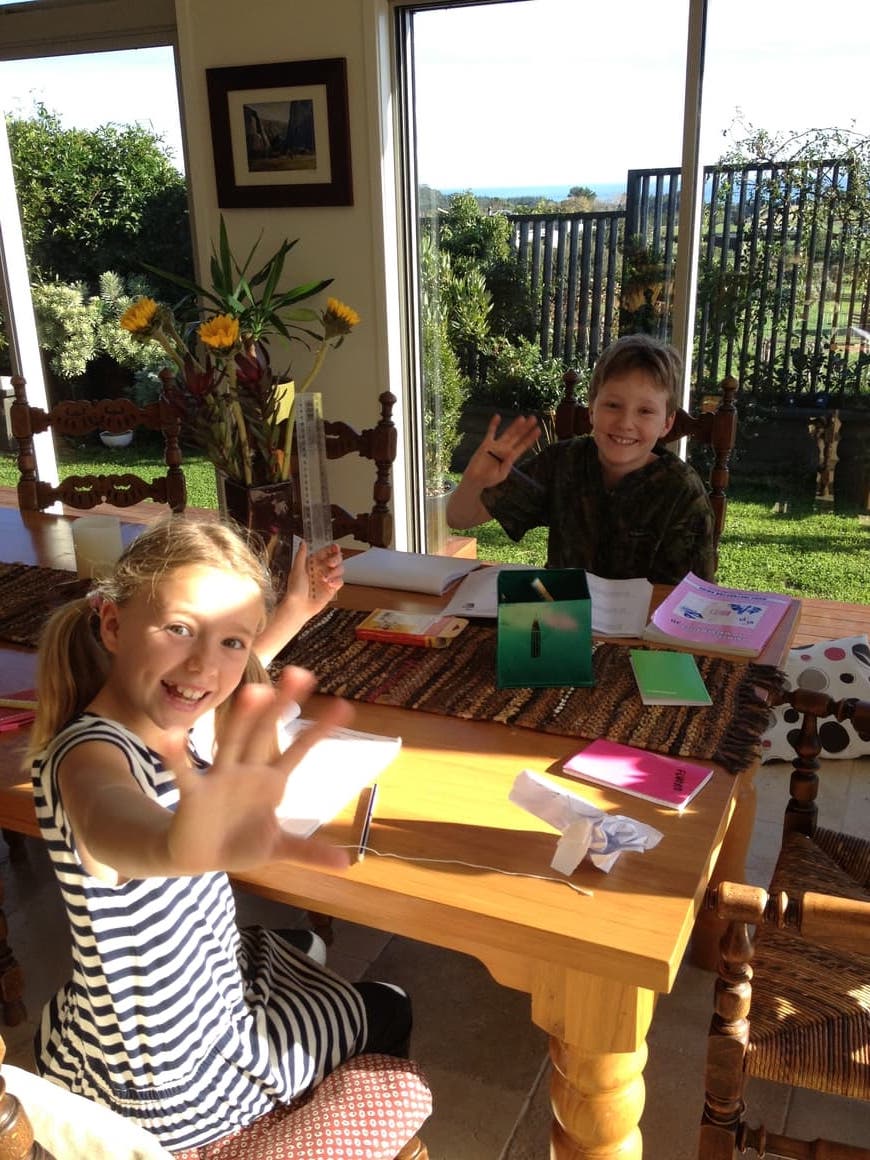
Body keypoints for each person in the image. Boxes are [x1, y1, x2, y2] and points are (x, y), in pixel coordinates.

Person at [27, 516, 412, 1152]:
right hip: (183, 1087)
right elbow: (113, 820)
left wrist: (291, 611)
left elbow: (216, 674)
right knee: (388, 1003)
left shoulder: (139, 713)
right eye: (179, 629)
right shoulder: (88, 757)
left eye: (234, 641)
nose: (206, 662)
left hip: (107, 1038)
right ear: (113, 624)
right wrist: (177, 844)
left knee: (286, 943)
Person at [446, 334, 716, 584]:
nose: (625, 423)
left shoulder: (682, 491)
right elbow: (458, 518)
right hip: (562, 622)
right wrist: (474, 480)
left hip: (645, 629)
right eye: (613, 405)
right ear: (591, 411)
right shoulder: (562, 462)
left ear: (666, 424)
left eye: (645, 411)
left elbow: (695, 598)